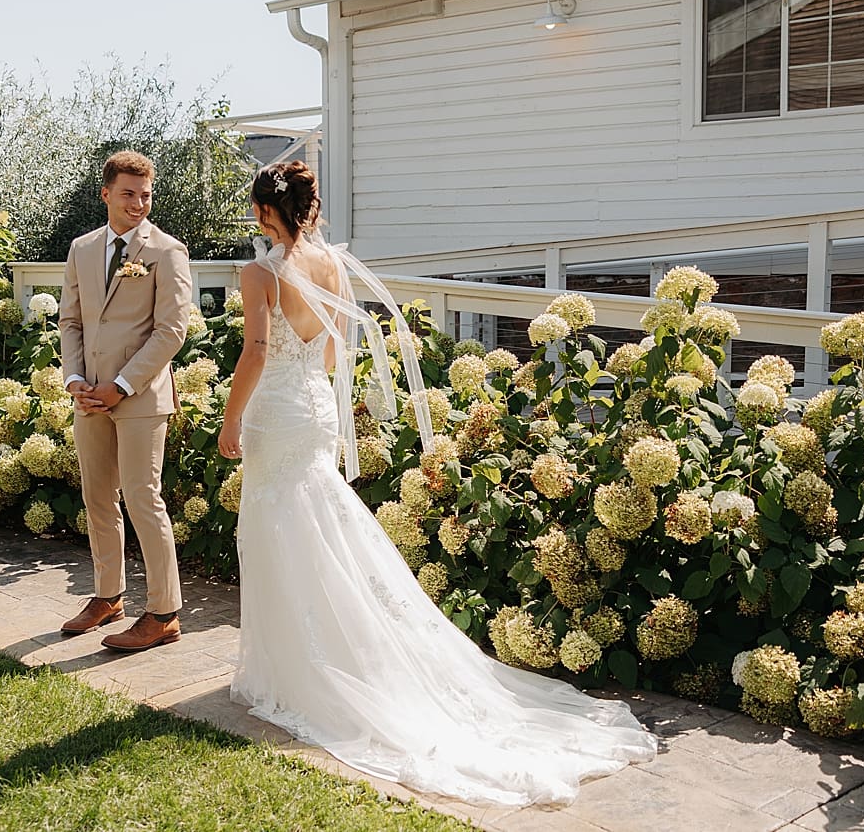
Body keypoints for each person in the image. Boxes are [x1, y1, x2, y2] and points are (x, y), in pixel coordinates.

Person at [219, 161, 656, 808]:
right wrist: (310, 377)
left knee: (278, 526)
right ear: (310, 207)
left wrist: (231, 416)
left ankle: (295, 674)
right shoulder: (333, 266)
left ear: (262, 211)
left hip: (276, 409)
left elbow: (256, 347)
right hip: (311, 405)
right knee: (317, 523)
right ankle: (322, 660)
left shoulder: (260, 271)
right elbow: (336, 347)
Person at [57, 150, 191, 653]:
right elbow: (71, 321)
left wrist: (123, 384)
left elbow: (171, 330)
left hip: (139, 398)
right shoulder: (82, 249)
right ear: (106, 194)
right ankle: (107, 596)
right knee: (97, 498)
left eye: (146, 195)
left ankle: (163, 612)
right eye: (129, 194)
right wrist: (75, 379)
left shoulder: (167, 251)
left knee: (142, 498)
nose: (139, 204)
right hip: (89, 396)